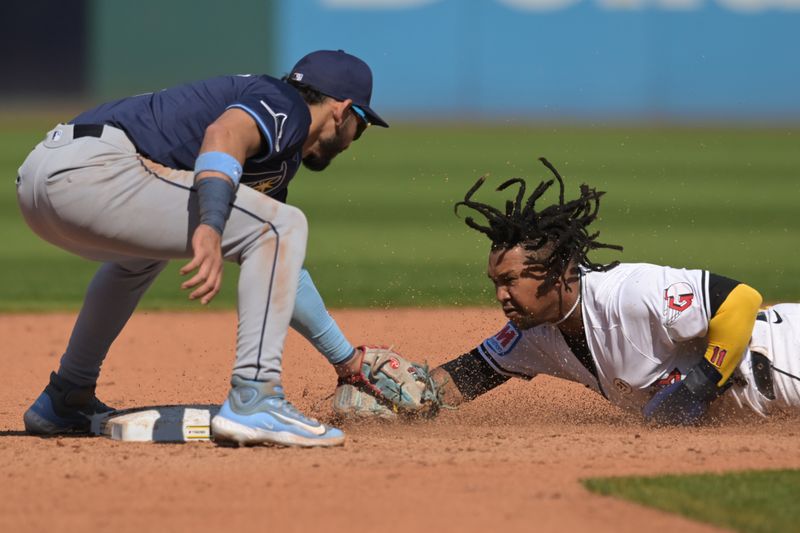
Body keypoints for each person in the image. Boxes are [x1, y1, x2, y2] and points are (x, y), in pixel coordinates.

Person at [17, 49, 389, 447]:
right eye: (361, 124)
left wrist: (347, 360)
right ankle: (255, 398)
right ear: (342, 110)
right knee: (285, 223)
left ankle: (66, 397)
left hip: (47, 180)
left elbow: (283, 269)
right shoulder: (285, 105)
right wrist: (210, 223)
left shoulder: (281, 152)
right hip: (93, 170)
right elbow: (222, 135)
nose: (355, 138)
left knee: (146, 258)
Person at [345, 158, 800, 424]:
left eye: (511, 281)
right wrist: (397, 398)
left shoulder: (627, 292)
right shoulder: (532, 337)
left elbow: (740, 298)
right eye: (496, 284)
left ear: (559, 272)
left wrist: (700, 385)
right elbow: (463, 379)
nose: (502, 296)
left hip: (787, 359)